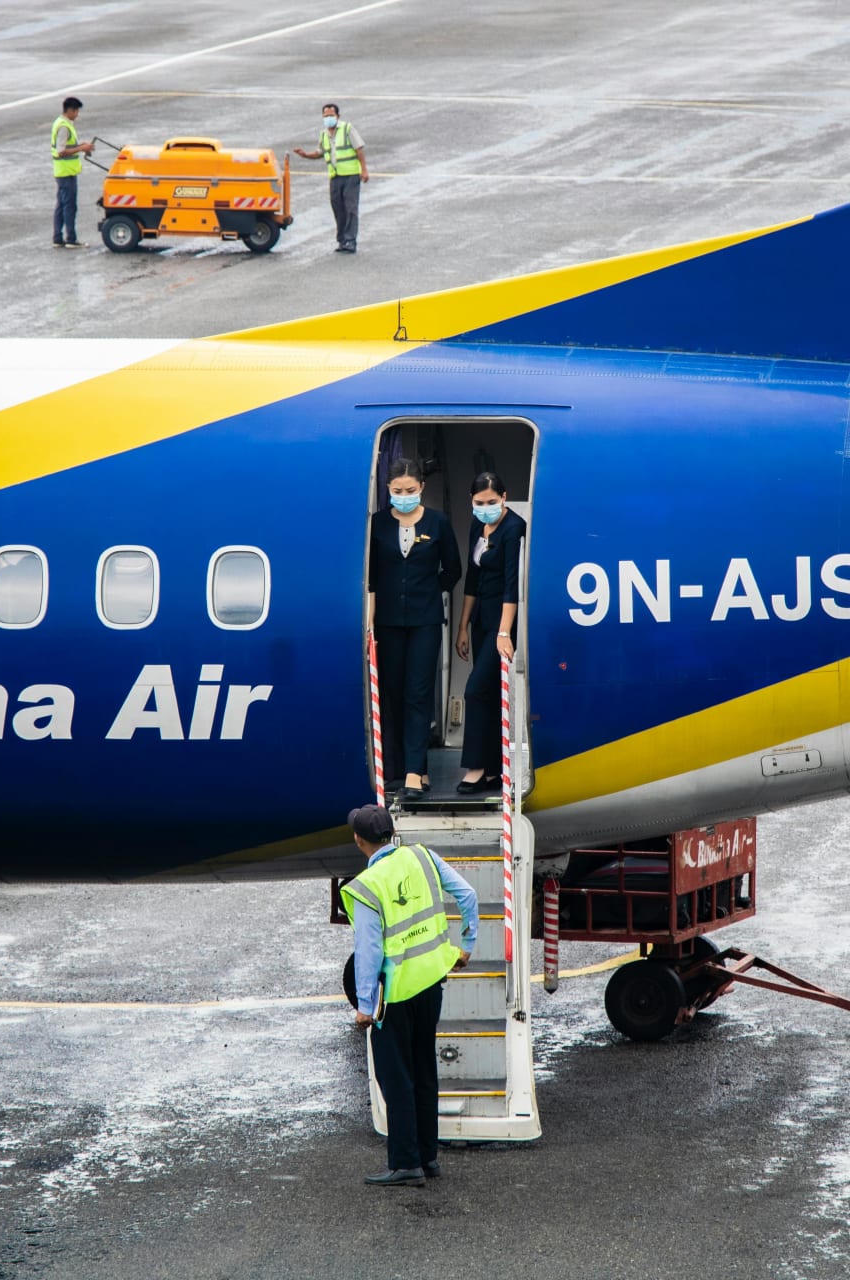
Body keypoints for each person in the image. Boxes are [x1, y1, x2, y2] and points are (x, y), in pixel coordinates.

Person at [340, 804, 478, 1187]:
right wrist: (466, 944)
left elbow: (369, 953)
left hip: (396, 994)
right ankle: (428, 1156)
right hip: (432, 982)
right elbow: (466, 895)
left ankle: (405, 1163)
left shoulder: (366, 887)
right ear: (391, 833)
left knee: (395, 1076)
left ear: (359, 840)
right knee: (423, 1070)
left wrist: (366, 1007)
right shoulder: (423, 856)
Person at [367, 458, 461, 802]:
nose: (403, 496)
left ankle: (413, 774)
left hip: (425, 620)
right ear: (388, 491)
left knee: (418, 693)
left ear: (421, 487)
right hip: (388, 622)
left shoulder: (437, 522)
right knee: (393, 695)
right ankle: (408, 768)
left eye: (409, 490)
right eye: (396, 492)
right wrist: (371, 624)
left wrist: (427, 589)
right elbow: (372, 577)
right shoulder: (376, 525)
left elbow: (453, 569)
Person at [454, 473, 527, 793]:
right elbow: (472, 578)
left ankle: (476, 768)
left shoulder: (514, 528)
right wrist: (462, 627)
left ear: (504, 497)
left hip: (501, 620)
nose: (486, 508)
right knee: (488, 695)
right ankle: (496, 770)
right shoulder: (476, 526)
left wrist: (504, 632)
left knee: (474, 690)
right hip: (480, 619)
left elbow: (512, 585)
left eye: (492, 502)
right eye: (479, 503)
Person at [293, 103, 367, 253]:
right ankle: (342, 241)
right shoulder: (324, 134)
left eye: (331, 116)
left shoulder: (347, 129)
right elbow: (320, 152)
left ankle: (350, 241)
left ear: (338, 116)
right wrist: (305, 155)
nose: (328, 118)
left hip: (351, 175)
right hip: (335, 177)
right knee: (338, 209)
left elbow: (359, 149)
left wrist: (364, 170)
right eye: (325, 116)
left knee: (350, 209)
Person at [51, 97, 95, 249]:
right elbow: (61, 151)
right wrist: (82, 149)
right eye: (76, 111)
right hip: (66, 172)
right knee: (69, 206)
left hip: (62, 171)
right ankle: (71, 239)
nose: (77, 115)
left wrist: (82, 145)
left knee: (61, 205)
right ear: (70, 110)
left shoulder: (61, 123)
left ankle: (58, 238)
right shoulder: (64, 126)